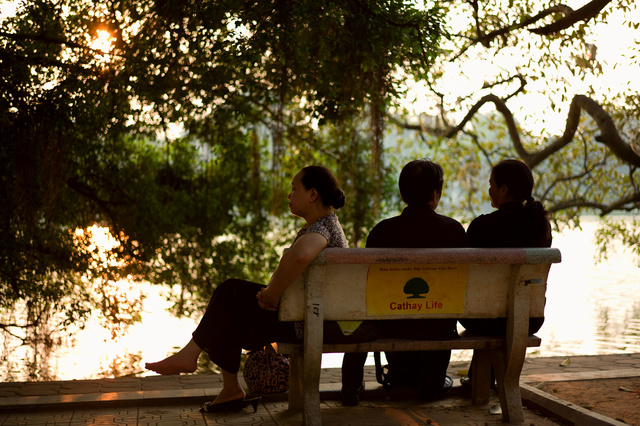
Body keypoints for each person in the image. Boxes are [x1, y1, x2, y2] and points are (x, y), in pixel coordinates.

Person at [145, 166, 375, 413]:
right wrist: (271, 291)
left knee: (229, 290)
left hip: (311, 321)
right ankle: (230, 390)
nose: (289, 195)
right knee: (227, 314)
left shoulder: (324, 226)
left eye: (294, 189)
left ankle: (191, 355)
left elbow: (301, 256)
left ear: (312, 194)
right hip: (309, 316)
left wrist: (272, 293)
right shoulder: (321, 225)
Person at [341, 159, 467, 406]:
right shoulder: (454, 231)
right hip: (439, 328)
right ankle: (432, 382)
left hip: (392, 327)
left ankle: (402, 377)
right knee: (439, 312)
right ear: (435, 194)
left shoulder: (381, 232)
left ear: (402, 193)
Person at [459, 159, 552, 389]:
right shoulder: (541, 226)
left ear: (504, 189)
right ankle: (481, 381)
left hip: (482, 318)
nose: (488, 189)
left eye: (491, 184)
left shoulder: (482, 227)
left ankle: (479, 381)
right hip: (529, 319)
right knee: (500, 310)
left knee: (489, 307)